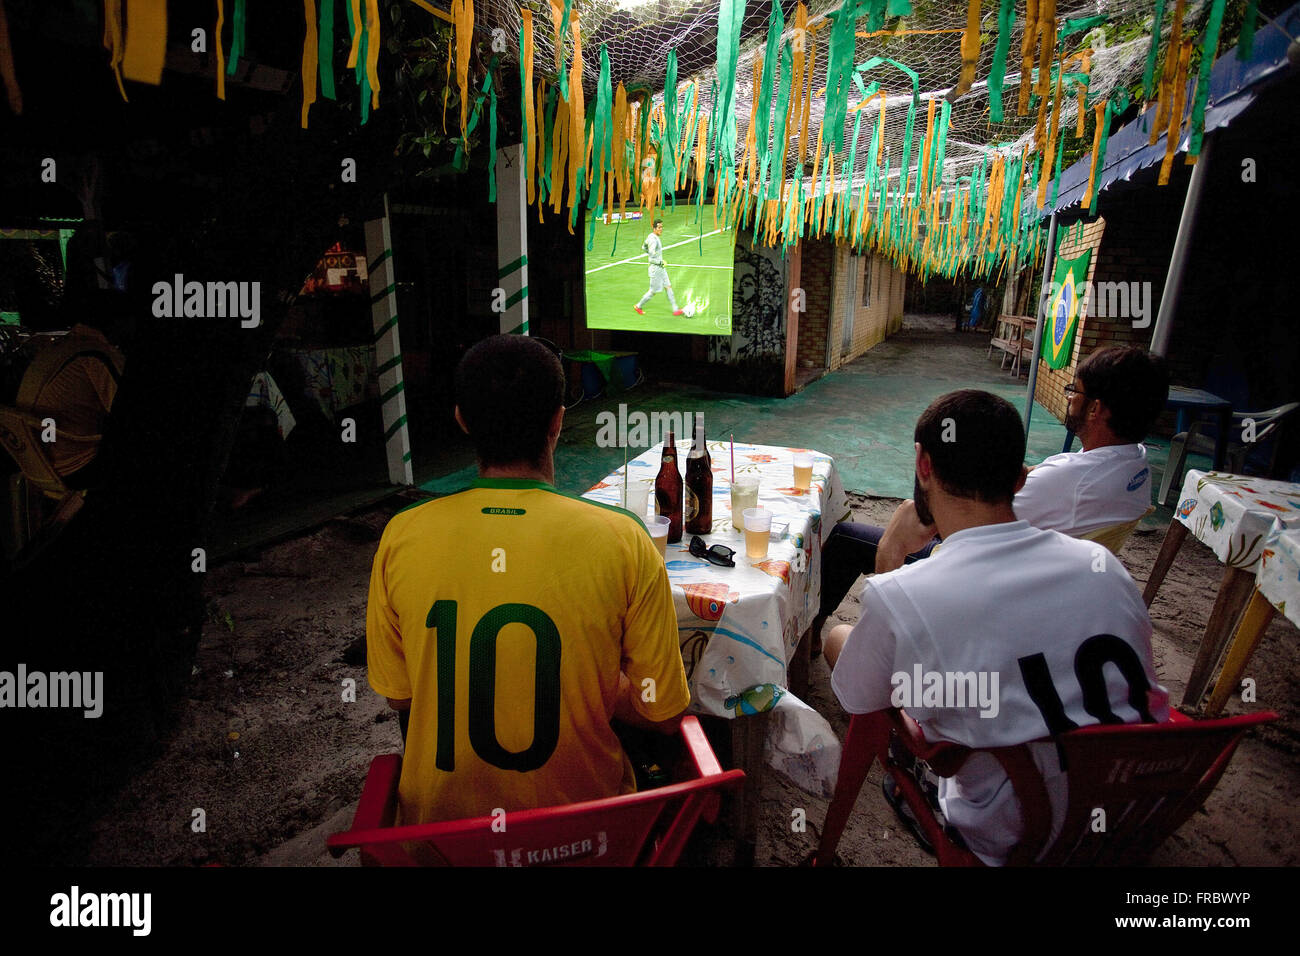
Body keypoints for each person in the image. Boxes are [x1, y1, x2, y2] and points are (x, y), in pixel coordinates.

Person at [824, 389, 1170, 865]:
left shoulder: (904, 591)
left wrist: (890, 561)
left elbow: (861, 698)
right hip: (1132, 807)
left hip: (1014, 833)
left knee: (838, 639)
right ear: (1022, 480)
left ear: (924, 466)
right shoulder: (1104, 565)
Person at [366, 334, 691, 826]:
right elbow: (662, 714)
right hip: (588, 841)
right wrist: (601, 683)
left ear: (461, 420)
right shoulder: (624, 540)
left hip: (441, 843)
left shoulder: (401, 536)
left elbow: (400, 695)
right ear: (559, 420)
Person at [813, 346, 1169, 648]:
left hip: (979, 573)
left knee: (846, 537)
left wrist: (899, 540)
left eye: (1074, 391)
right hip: (1037, 579)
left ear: (1097, 409)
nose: (1070, 399)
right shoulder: (1136, 465)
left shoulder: (1070, 481)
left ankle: (810, 634)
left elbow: (964, 517)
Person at [633, 218, 685, 316]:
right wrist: (660, 262)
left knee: (668, 286)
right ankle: (638, 306)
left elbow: (643, 247)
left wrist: (659, 262)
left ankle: (675, 309)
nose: (661, 229)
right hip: (655, 269)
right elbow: (652, 258)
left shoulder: (651, 236)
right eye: (659, 227)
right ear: (654, 228)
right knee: (653, 291)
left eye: (662, 227)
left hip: (660, 268)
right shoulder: (653, 240)